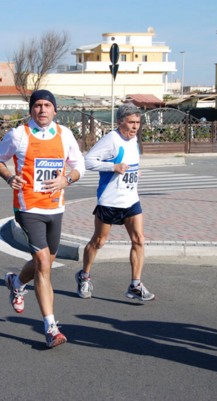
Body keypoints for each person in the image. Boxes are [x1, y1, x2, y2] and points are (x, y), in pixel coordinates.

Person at [0, 89, 85, 348]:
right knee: (44, 263)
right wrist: (9, 177)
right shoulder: (19, 135)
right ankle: (51, 327)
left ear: (55, 110)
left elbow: (80, 166)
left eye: (47, 105)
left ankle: (16, 281)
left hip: (55, 208)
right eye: (37, 106)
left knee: (44, 262)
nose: (42, 110)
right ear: (31, 110)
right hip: (28, 208)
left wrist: (66, 179)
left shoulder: (65, 135)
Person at [75, 104, 155, 301]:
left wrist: (134, 172)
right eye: (131, 122)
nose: (135, 126)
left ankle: (135, 285)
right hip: (110, 200)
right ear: (120, 122)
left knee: (139, 240)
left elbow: (130, 163)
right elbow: (88, 161)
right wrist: (113, 166)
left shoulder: (134, 139)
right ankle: (84, 275)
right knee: (99, 241)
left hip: (130, 200)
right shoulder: (111, 139)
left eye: (138, 122)